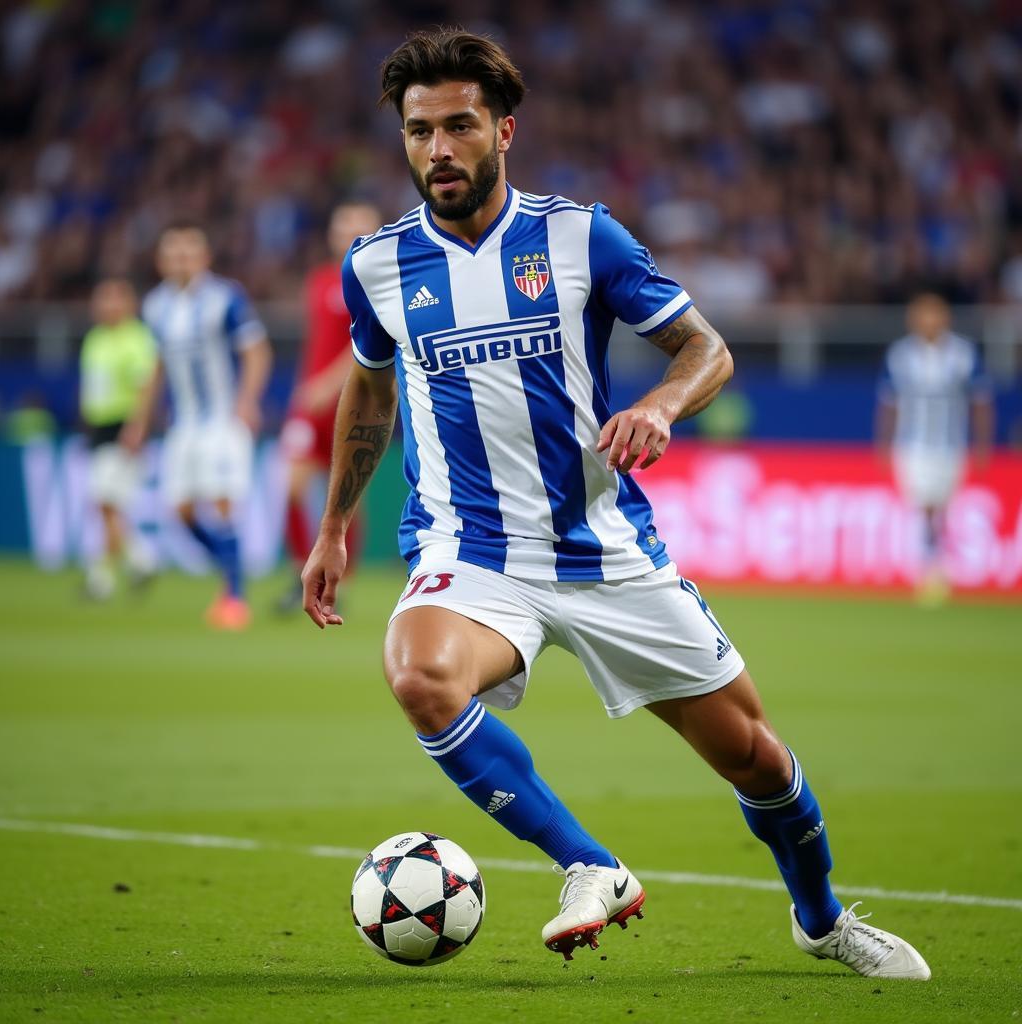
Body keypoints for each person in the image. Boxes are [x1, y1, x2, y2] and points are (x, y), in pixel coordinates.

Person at [301, 29, 930, 979]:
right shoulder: (378, 266)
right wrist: (334, 525)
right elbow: (372, 387)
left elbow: (706, 348)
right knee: (419, 673)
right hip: (471, 552)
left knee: (754, 756)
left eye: (459, 125)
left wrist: (660, 403)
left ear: (504, 129)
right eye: (418, 130)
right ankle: (590, 865)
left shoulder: (578, 236)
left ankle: (822, 917)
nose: (438, 149)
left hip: (604, 550)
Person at [124, 222, 272, 630]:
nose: (181, 259)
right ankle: (230, 574)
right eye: (173, 253)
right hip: (184, 425)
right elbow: (156, 368)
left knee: (222, 504)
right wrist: (139, 420)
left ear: (204, 256)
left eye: (189, 251)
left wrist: (246, 400)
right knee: (181, 513)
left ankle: (235, 598)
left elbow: (256, 351)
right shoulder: (156, 306)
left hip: (222, 420)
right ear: (161, 260)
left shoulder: (225, 298)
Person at [276, 202, 383, 613]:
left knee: (347, 496)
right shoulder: (320, 280)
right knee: (291, 489)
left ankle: (342, 578)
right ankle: (298, 572)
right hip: (310, 406)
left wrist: (328, 384)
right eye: (344, 225)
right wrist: (305, 388)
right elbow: (317, 342)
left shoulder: (376, 284)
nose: (351, 232)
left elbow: (365, 346)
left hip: (352, 404)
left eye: (360, 225)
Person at [877, 292, 994, 604]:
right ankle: (929, 572)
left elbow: (980, 401)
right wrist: (884, 444)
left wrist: (983, 444)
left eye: (934, 314)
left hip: (950, 444)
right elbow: (889, 403)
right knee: (923, 506)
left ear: (945, 318)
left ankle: (936, 566)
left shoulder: (962, 353)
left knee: (940, 507)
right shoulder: (901, 355)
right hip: (912, 444)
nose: (928, 321)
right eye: (921, 315)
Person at [78, 278, 158, 599]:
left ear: (129, 304)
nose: (107, 305)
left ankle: (109, 575)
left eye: (115, 299)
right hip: (99, 429)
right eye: (103, 298)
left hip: (122, 427)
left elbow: (145, 386)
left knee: (106, 501)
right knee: (108, 505)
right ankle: (137, 562)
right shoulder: (95, 339)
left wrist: (138, 425)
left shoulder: (136, 339)